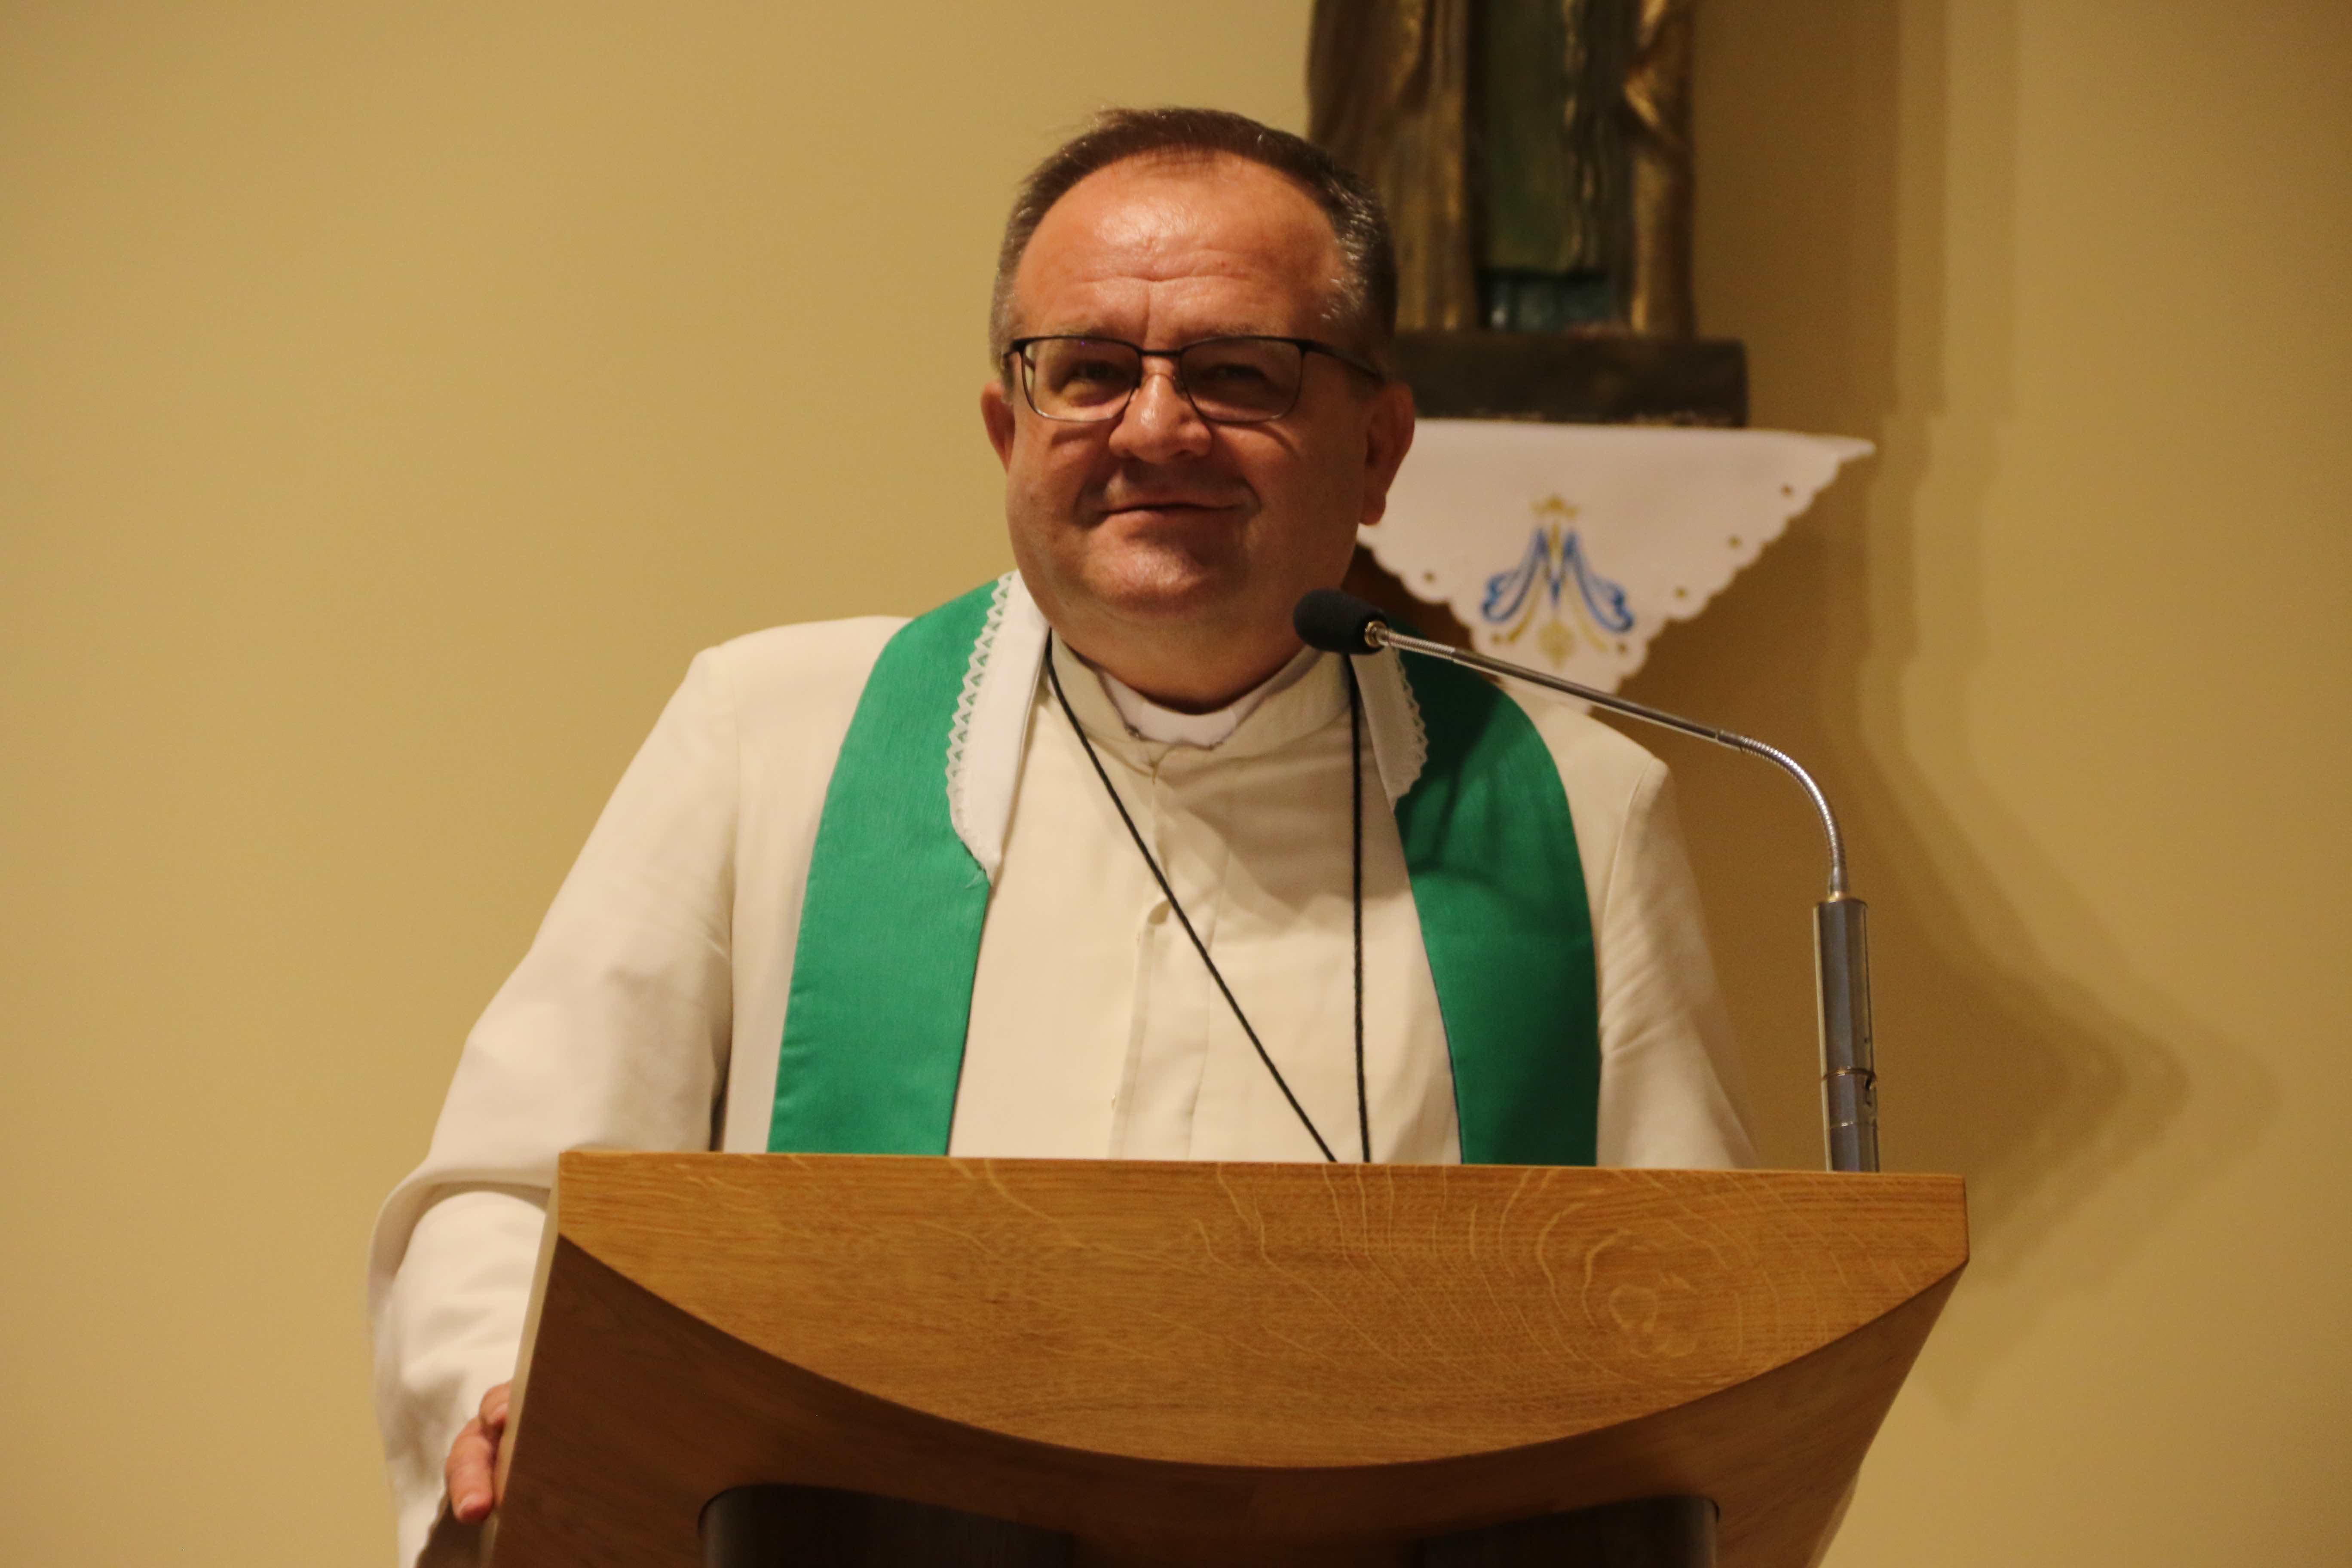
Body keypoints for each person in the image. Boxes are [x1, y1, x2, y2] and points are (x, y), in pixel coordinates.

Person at [368, 106, 1752, 1567]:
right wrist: (506, 1385)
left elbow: (1694, 1325)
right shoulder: (775, 736)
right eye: (1088, 371)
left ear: (1377, 447)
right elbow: (513, 1190)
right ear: (1008, 431)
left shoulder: (1577, 809)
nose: (1153, 428)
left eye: (1237, 373)